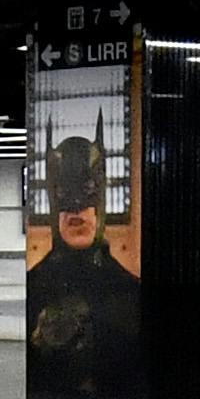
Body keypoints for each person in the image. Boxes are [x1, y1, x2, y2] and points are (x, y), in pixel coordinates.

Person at [26, 129, 140, 355]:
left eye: (88, 191)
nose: (76, 208)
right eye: (62, 193)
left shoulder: (128, 290)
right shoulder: (35, 287)